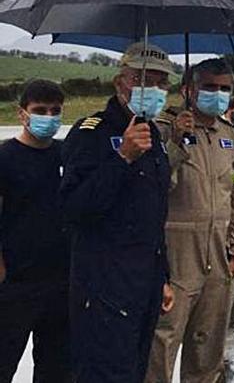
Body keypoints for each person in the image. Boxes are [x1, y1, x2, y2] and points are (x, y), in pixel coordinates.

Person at [60, 42, 177, 382]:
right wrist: (122, 158)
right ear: (119, 82)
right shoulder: (92, 132)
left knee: (135, 371)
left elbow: (154, 212)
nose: (153, 89)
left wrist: (163, 275)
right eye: (143, 80)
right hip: (104, 286)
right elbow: (73, 208)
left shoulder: (152, 133)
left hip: (145, 281)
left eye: (160, 82)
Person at [146, 58, 234, 383]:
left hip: (219, 256)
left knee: (208, 349)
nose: (218, 94)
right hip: (177, 254)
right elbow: (154, 187)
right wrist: (175, 141)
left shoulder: (229, 135)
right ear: (188, 90)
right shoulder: (160, 130)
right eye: (210, 87)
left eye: (225, 89)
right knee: (162, 344)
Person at [0, 80, 72, 382]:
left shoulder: (66, 153)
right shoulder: (5, 157)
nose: (49, 117)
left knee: (56, 369)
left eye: (55, 111)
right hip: (16, 282)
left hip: (62, 281)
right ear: (22, 114)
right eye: (40, 110)